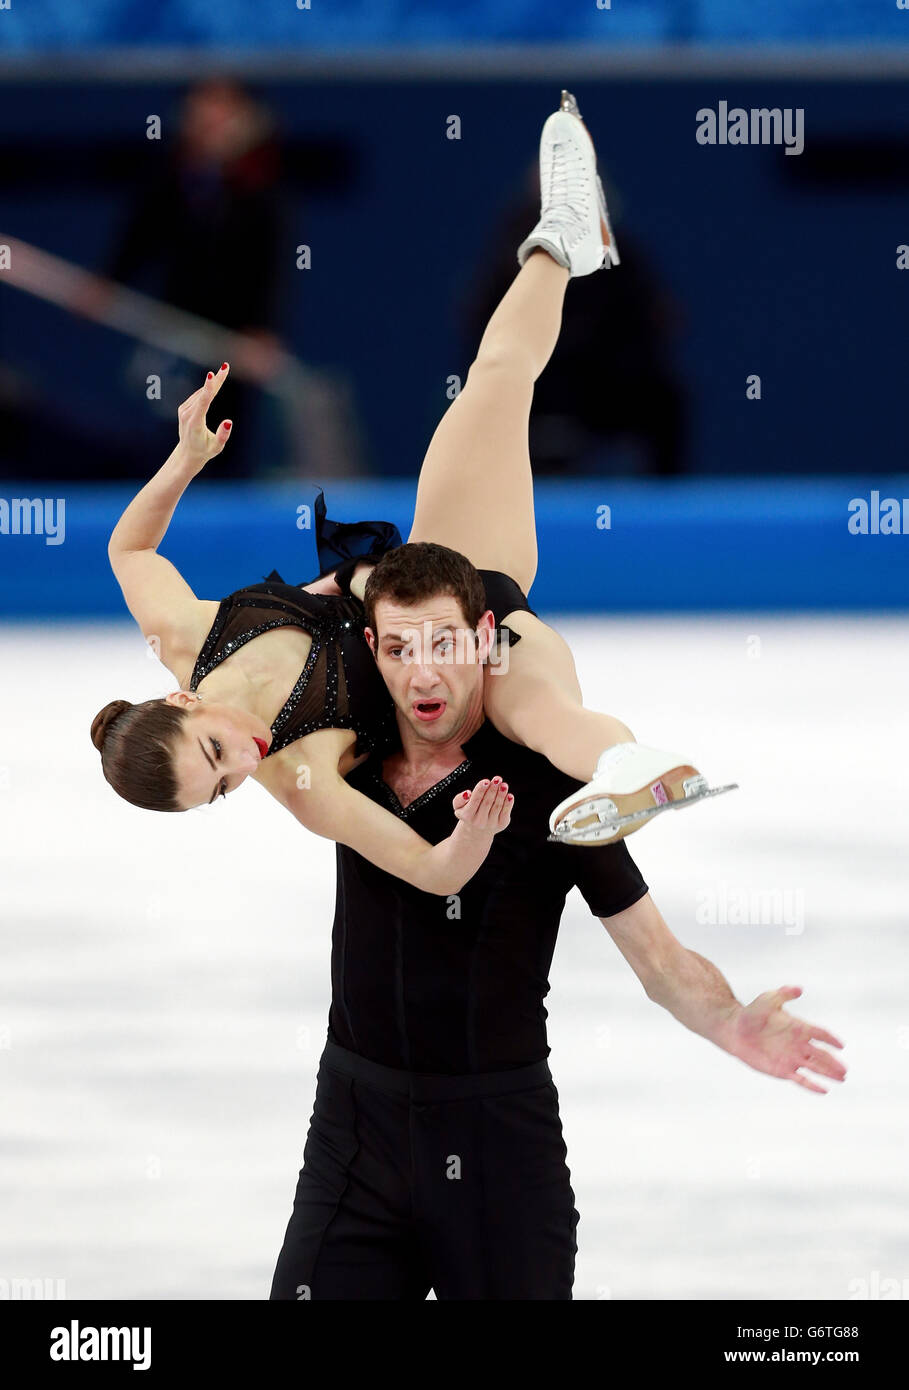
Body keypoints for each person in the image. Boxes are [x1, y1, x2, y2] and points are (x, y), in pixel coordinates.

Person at [91, 91, 733, 895]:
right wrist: (471, 833)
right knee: (529, 708)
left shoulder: (188, 633)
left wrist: (184, 460)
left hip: (442, 564)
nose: (240, 764)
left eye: (214, 752)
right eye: (219, 791)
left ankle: (564, 238)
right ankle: (629, 766)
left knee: (495, 382)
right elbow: (431, 873)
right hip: (469, 662)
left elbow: (130, 549)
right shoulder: (302, 783)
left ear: (180, 700)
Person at [268, 541, 847, 1300]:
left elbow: (658, 960)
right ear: (372, 648)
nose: (423, 672)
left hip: (498, 1146)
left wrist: (730, 1020)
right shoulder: (350, 763)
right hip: (353, 1136)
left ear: (484, 639)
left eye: (445, 643)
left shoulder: (547, 788)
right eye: (402, 648)